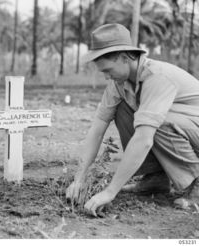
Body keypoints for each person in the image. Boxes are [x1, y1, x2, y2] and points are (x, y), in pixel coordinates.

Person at [66, 23, 199, 216]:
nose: (106, 77)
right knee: (124, 110)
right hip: (186, 130)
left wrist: (110, 191)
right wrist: (79, 178)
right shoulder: (119, 82)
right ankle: (155, 177)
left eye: (108, 70)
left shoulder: (157, 77)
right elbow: (97, 128)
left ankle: (196, 184)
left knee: (154, 122)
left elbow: (144, 139)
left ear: (123, 57)